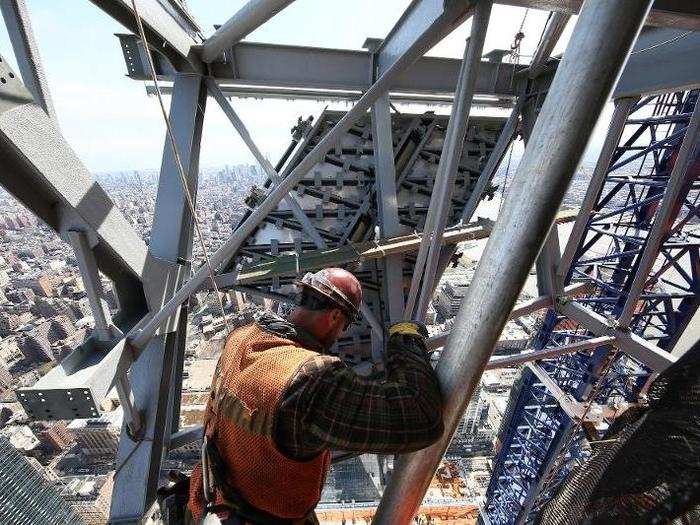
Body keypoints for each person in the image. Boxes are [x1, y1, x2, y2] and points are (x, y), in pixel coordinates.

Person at [187, 267, 444, 524]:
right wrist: (406, 342)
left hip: (213, 499)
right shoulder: (309, 378)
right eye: (345, 324)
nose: (342, 333)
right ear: (334, 317)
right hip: (263, 516)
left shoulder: (240, 337)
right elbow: (421, 418)